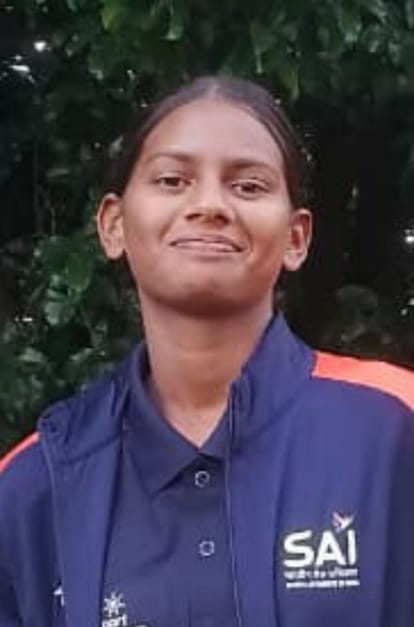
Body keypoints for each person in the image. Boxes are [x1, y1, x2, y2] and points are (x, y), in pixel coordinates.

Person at [0, 75, 413, 627]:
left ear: (296, 238)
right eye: (172, 180)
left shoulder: (394, 428)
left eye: (248, 186)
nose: (210, 205)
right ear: (114, 225)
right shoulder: (37, 483)